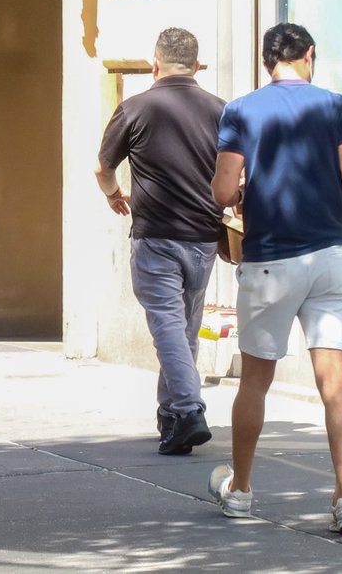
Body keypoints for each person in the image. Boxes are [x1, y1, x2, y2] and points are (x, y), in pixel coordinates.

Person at [207, 22, 342, 535]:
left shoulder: (241, 111)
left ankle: (241, 490)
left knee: (255, 381)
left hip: (269, 263)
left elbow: (220, 192)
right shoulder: (337, 106)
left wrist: (239, 193)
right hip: (329, 259)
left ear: (266, 64)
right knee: (335, 383)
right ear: (310, 55)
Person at [94, 27, 226, 456]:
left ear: (155, 63)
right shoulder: (220, 111)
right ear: (197, 65)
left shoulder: (135, 108)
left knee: (169, 326)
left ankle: (188, 410)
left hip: (156, 237)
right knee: (184, 328)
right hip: (204, 237)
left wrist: (115, 194)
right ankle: (171, 419)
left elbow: (102, 167)